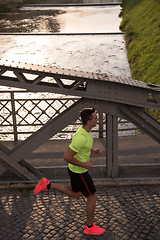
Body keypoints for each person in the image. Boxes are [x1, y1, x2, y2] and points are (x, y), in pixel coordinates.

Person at [34, 108, 105, 236]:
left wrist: (94, 151)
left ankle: (47, 184)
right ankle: (90, 226)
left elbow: (85, 146)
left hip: (76, 171)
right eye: (95, 118)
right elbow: (67, 157)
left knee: (76, 194)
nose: (97, 119)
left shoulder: (86, 131)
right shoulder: (81, 137)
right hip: (80, 173)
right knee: (92, 197)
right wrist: (85, 165)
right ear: (89, 121)